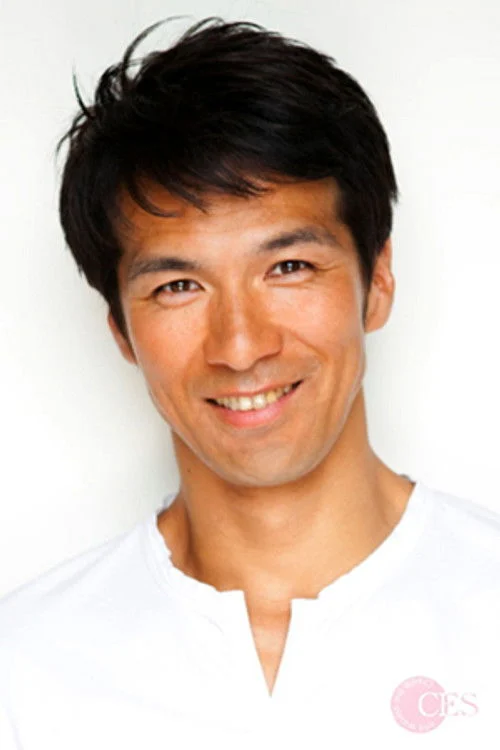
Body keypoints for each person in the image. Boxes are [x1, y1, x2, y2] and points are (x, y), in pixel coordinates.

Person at [0, 16, 499, 749]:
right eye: (177, 286)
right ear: (121, 330)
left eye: (289, 267)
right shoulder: (25, 672)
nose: (240, 347)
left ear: (378, 281)